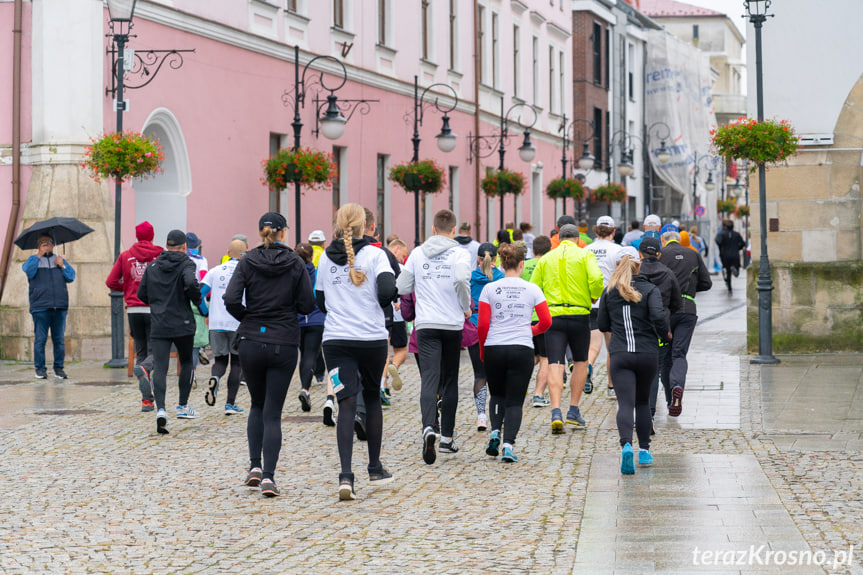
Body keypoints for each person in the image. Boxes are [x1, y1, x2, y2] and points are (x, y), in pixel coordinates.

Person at [223, 212, 315, 497]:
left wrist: (249, 317)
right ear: (283, 233)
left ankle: (254, 466)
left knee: (256, 405)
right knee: (273, 412)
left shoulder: (247, 261)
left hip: (252, 339)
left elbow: (230, 298)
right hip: (284, 340)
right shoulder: (295, 262)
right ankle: (269, 478)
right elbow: (308, 304)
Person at [315, 203, 397, 500]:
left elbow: (320, 300)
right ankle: (374, 467)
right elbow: (388, 291)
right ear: (366, 226)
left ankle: (345, 476)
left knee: (345, 403)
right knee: (372, 397)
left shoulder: (325, 257)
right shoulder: (377, 255)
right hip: (371, 338)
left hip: (336, 340)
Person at [397, 209, 472, 465]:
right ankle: (447, 437)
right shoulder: (460, 253)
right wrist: (465, 306)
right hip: (451, 324)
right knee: (450, 379)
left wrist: (423, 283)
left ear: (432, 229)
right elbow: (462, 279)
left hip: (426, 323)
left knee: (429, 378)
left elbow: (402, 286)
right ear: (453, 231)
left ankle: (428, 427)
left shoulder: (417, 253)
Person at [478, 243, 552, 463]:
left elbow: (482, 325)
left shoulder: (490, 289)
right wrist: (531, 330)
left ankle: (494, 433)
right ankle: (508, 445)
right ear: (522, 264)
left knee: (497, 395)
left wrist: (483, 349)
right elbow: (546, 321)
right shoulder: (532, 289)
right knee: (515, 401)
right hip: (521, 348)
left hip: (494, 346)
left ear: (501, 263)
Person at [599, 248, 668, 474]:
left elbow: (602, 325)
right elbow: (658, 316)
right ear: (639, 266)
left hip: (620, 354)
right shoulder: (650, 289)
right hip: (647, 353)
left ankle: (626, 445)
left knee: (626, 403)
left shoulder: (609, 292)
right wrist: (663, 334)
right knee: (643, 402)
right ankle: (645, 450)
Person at [530, 224, 604, 433]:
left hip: (553, 316)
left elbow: (535, 287)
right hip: (580, 314)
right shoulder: (585, 255)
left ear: (559, 238)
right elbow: (597, 279)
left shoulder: (546, 259)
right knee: (580, 361)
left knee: (554, 362)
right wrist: (594, 295)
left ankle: (555, 411)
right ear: (578, 238)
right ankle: (573, 409)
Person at [137, 229, 206, 435]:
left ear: (166, 245)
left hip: (159, 323)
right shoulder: (187, 263)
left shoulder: (153, 266)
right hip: (182, 322)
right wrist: (197, 301)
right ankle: (183, 406)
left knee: (160, 366)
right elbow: (191, 284)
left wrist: (157, 304)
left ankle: (161, 410)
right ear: (185, 246)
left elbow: (142, 294)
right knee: (185, 362)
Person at [105, 221, 162, 409]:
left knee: (141, 351)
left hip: (133, 310)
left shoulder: (125, 255)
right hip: (154, 308)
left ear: (137, 236)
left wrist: (128, 288)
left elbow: (111, 281)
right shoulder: (160, 255)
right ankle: (145, 371)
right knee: (156, 353)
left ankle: (146, 400)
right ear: (152, 236)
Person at [660, 229, 712, 417]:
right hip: (687, 309)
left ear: (662, 240)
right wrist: (691, 286)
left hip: (665, 311)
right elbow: (707, 283)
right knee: (679, 354)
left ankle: (668, 399)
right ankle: (678, 386)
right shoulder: (693, 254)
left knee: (665, 356)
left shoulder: (661, 255)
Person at [637, 237, 681, 420]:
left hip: (637, 326)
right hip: (660, 328)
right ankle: (650, 412)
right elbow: (677, 303)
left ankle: (637, 410)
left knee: (636, 371)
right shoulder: (668, 273)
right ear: (659, 254)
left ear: (639, 254)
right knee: (654, 371)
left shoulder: (636, 273)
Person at [201, 239, 246, 415]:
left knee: (220, 360)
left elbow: (200, 293)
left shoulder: (215, 271)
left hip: (216, 323)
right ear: (245, 253)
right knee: (236, 363)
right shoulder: (245, 272)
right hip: (237, 322)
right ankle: (230, 404)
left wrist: (206, 312)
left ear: (228, 252)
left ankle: (215, 377)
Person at [294, 243, 336, 426]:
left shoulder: (292, 272)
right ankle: (305, 389)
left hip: (297, 319)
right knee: (311, 353)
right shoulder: (317, 271)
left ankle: (306, 388)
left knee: (303, 355)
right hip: (316, 318)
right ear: (311, 257)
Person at [24, 234, 75, 380]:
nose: (46, 245)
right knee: (40, 339)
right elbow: (28, 271)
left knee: (59, 339)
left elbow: (71, 277)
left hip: (59, 306)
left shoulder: (59, 260)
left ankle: (59, 368)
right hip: (40, 307)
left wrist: (62, 265)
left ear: (53, 245)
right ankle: (40, 369)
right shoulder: (33, 261)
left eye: (49, 243)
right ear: (38, 246)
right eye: (43, 243)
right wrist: (39, 255)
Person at [468, 243, 504, 431]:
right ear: (496, 258)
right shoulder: (501, 278)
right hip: (496, 327)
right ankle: (498, 413)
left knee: (479, 374)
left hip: (475, 326)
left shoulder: (471, 277)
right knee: (498, 374)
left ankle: (481, 416)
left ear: (478, 258)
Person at [585, 216, 622, 398]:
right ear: (613, 231)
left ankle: (589, 365)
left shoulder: (586, 249)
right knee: (612, 348)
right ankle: (611, 387)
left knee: (593, 346)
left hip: (591, 302)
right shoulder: (617, 250)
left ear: (596, 230)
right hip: (611, 302)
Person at [521, 235, 552, 407]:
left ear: (533, 250)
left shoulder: (523, 265)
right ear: (550, 250)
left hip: (524, 317)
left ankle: (519, 386)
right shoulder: (550, 265)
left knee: (531, 355)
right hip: (543, 317)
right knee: (546, 357)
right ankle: (538, 395)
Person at [386, 238, 410, 394]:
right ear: (396, 249)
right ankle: (394, 365)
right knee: (401, 351)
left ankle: (383, 386)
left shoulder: (380, 265)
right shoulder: (401, 269)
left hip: (382, 315)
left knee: (383, 352)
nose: (403, 259)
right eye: (403, 255)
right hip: (398, 316)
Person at [715, 219, 746, 293]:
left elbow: (717, 241)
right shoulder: (736, 234)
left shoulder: (721, 234)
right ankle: (734, 269)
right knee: (736, 270)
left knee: (728, 272)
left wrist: (721, 247)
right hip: (735, 254)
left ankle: (729, 288)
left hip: (724, 255)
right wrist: (738, 248)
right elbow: (743, 243)